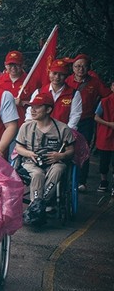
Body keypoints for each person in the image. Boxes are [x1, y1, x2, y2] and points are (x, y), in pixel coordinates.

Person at [14, 93, 75, 226]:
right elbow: (18, 147)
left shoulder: (62, 128)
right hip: (31, 162)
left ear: (48, 110)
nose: (33, 110)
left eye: (37, 107)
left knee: (60, 168)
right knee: (37, 174)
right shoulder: (26, 127)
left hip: (54, 162)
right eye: (32, 107)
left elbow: (71, 150)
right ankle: (39, 206)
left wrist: (61, 156)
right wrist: (29, 153)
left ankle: (39, 204)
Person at [68, 54, 111, 190]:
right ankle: (66, 178)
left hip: (86, 121)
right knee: (66, 148)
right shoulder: (67, 81)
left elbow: (109, 96)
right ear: (73, 68)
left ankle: (82, 181)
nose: (80, 69)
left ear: (88, 68)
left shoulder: (94, 82)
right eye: (77, 66)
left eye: (83, 66)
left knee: (83, 148)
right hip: (68, 121)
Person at [29, 58, 81, 129]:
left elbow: (75, 116)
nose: (57, 77)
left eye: (61, 74)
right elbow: (30, 111)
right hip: (41, 131)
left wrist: (66, 132)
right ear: (49, 73)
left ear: (66, 76)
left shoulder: (74, 94)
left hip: (63, 132)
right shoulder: (39, 92)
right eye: (54, 73)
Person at [0, 50, 40, 123]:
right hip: (3, 126)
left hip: (24, 124)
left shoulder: (32, 81)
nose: (13, 68)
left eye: (17, 64)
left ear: (22, 64)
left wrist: (23, 103)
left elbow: (40, 104)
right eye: (10, 65)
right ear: (5, 65)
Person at [93, 80, 114, 193]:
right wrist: (109, 124)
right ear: (111, 87)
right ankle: (103, 182)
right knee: (104, 161)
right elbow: (96, 117)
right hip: (105, 133)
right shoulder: (104, 101)